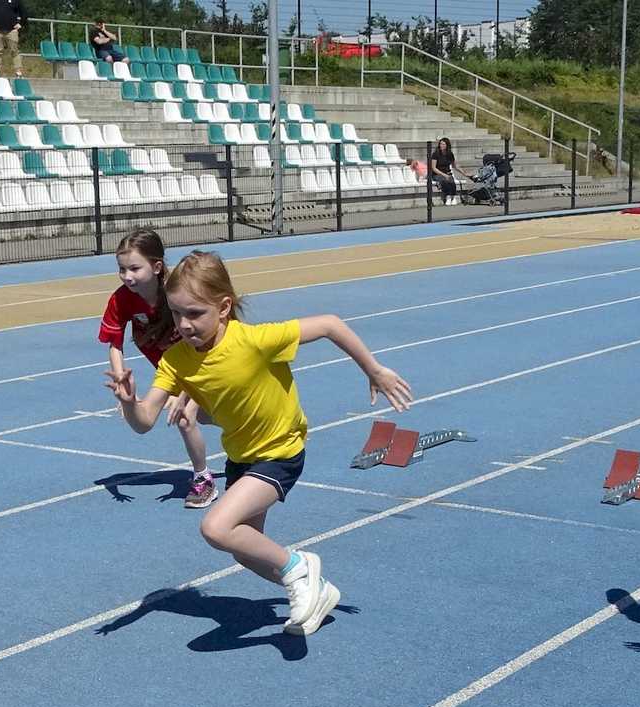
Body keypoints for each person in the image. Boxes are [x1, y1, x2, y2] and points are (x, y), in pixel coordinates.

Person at [105, 250, 414, 636]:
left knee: (216, 527)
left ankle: (300, 567)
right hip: (241, 459)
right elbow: (144, 422)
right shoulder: (177, 360)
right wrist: (129, 402)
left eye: (195, 314)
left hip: (281, 452)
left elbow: (332, 324)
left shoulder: (255, 340)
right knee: (244, 550)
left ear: (223, 307)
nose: (183, 325)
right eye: (176, 313)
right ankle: (314, 589)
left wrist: (374, 369)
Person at [98, 230, 218, 509]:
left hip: (200, 361)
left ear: (157, 267)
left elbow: (205, 333)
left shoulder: (177, 292)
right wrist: (121, 381)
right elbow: (114, 343)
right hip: (170, 369)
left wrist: (188, 391)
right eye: (121, 269)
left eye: (134, 268)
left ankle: (204, 480)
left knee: (190, 414)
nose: (127, 276)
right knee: (202, 417)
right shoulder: (121, 300)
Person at [430, 137, 468, 206]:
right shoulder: (435, 154)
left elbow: (455, 166)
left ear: (447, 145)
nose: (441, 146)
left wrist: (464, 173)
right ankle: (448, 197)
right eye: (440, 144)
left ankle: (453, 197)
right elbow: (433, 168)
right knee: (444, 180)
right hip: (437, 174)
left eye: (443, 144)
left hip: (447, 173)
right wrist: (444, 175)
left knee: (451, 180)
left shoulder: (450, 154)